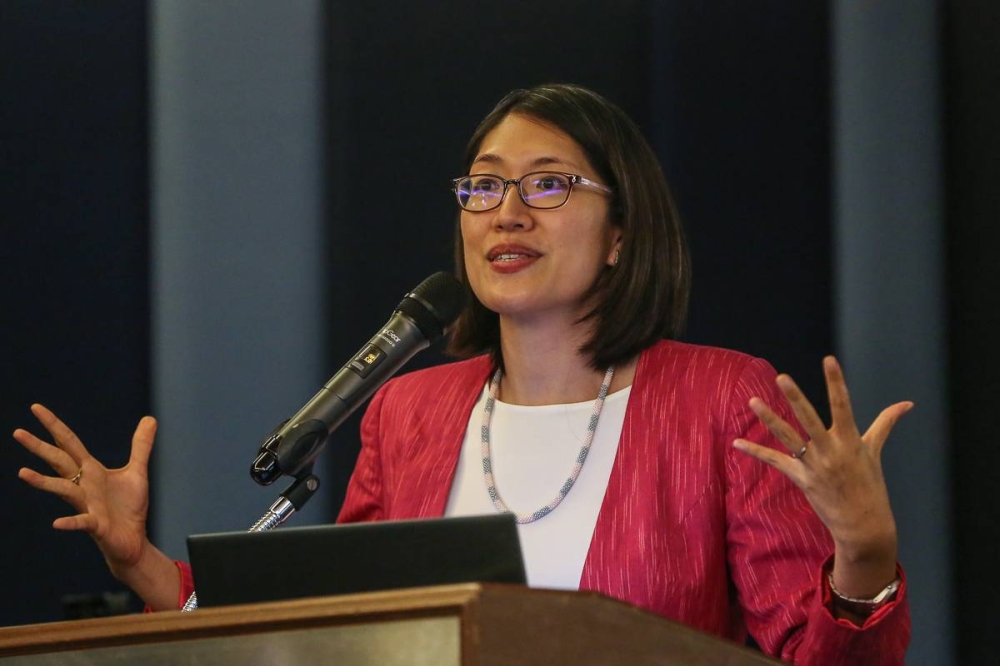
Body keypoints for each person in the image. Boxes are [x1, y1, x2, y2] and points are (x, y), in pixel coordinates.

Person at [14, 83, 910, 663]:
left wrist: (863, 559)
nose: (506, 213)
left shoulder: (722, 400)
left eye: (548, 185)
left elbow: (811, 654)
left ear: (623, 236)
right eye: (484, 187)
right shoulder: (410, 411)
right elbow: (337, 628)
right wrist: (141, 567)